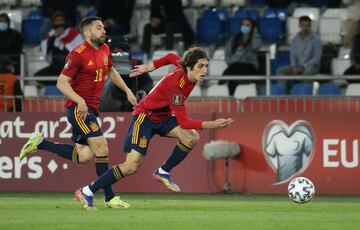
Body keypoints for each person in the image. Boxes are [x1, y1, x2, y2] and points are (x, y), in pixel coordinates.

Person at [74, 47, 234, 210]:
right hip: (145, 117)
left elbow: (171, 56)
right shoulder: (175, 86)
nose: (205, 70)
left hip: (162, 117)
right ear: (189, 67)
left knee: (191, 137)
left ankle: (163, 171)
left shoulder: (184, 69)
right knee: (131, 166)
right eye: (200, 66)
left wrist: (150, 67)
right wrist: (211, 124)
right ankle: (87, 191)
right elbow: (184, 122)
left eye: (206, 65)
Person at [19, 16, 137, 209]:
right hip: (78, 110)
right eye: (99, 28)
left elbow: (111, 71)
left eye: (103, 27)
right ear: (87, 33)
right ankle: (109, 197)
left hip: (91, 109)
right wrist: (79, 100)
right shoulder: (77, 53)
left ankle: (41, 143)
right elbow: (61, 82)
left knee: (84, 156)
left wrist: (128, 91)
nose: (104, 30)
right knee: (102, 149)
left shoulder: (105, 49)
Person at [100, 36, 153, 112]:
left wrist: (144, 90)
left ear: (126, 50)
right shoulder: (102, 64)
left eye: (120, 50)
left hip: (130, 103)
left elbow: (148, 82)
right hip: (107, 103)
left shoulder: (135, 63)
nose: (117, 53)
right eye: (113, 51)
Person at [35, 11, 83, 85]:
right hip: (55, 68)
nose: (60, 23)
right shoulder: (50, 36)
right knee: (38, 76)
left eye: (62, 21)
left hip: (70, 67)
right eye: (57, 21)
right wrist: (54, 37)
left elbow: (79, 51)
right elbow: (46, 54)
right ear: (54, 23)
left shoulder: (72, 32)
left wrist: (63, 41)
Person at [276, 16, 322, 89]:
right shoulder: (295, 39)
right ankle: (283, 95)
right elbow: (293, 55)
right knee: (280, 71)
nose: (305, 28)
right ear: (299, 26)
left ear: (310, 26)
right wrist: (294, 66)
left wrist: (303, 66)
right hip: (297, 66)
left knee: (307, 72)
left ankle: (305, 95)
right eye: (303, 25)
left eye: (307, 26)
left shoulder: (316, 39)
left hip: (312, 66)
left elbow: (316, 58)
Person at [220, 17, 262, 96]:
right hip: (235, 66)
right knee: (233, 73)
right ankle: (231, 97)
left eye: (247, 25)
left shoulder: (256, 38)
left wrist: (255, 34)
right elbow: (227, 50)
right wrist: (229, 61)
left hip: (249, 65)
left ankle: (221, 82)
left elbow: (255, 47)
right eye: (243, 24)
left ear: (252, 27)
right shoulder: (235, 38)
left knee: (232, 71)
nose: (244, 27)